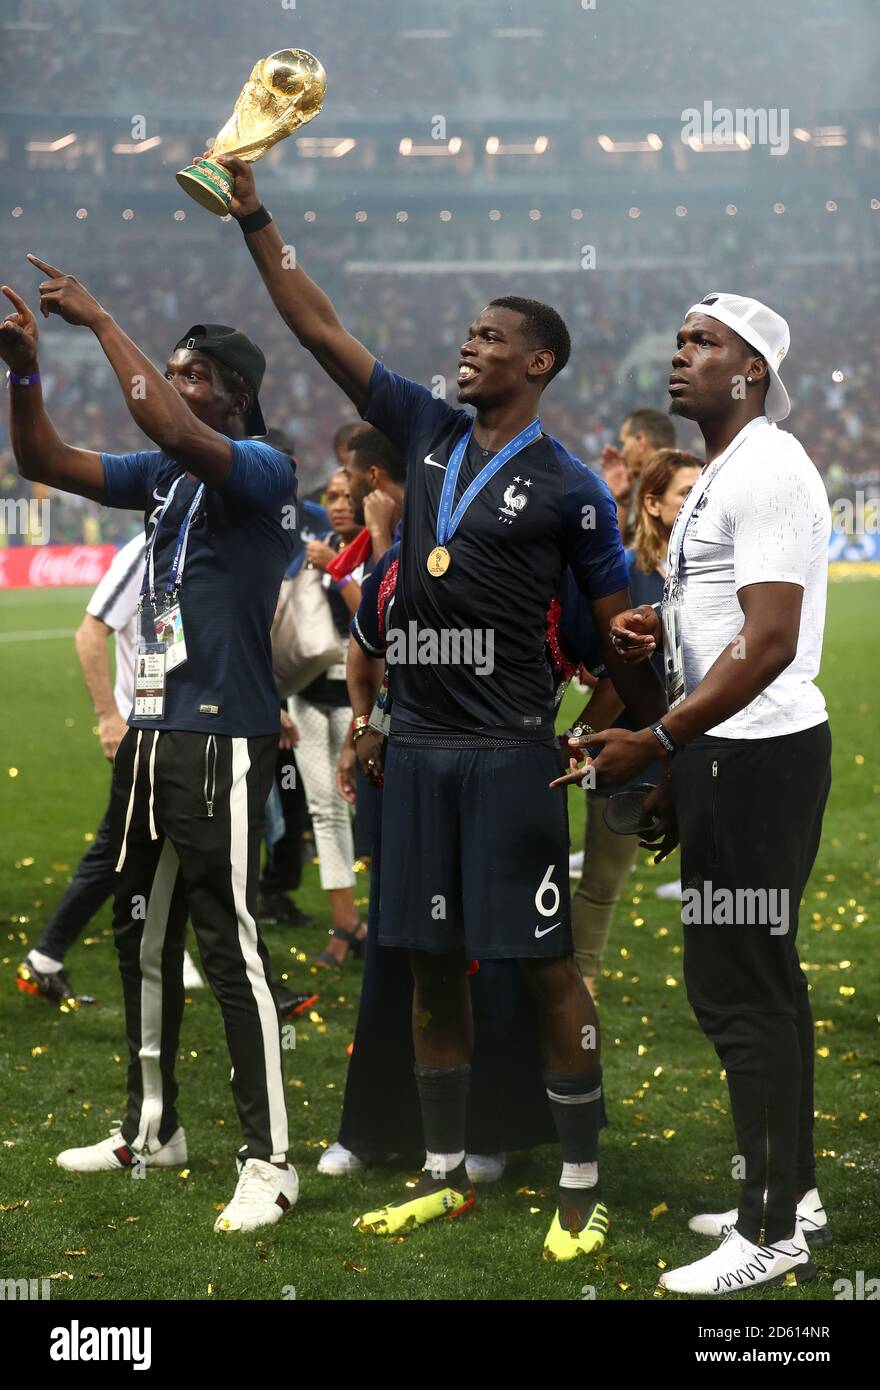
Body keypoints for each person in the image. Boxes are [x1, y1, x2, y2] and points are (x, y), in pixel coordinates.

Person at [218, 152, 666, 1260]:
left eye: (487, 336)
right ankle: (439, 1170)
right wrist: (255, 218)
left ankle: (577, 1178)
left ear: (537, 360)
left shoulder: (565, 484)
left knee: (547, 966)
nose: (466, 344)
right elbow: (319, 329)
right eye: (465, 332)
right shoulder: (420, 426)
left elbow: (622, 631)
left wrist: (629, 736)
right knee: (424, 964)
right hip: (414, 752)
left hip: (510, 755)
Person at [0, 256, 299, 1233]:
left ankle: (270, 1162)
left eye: (193, 373)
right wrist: (25, 375)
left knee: (229, 945)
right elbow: (46, 464)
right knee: (140, 931)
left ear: (235, 394)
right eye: (171, 369)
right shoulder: (166, 476)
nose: (176, 385)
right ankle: (153, 1126)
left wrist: (99, 317)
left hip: (222, 734)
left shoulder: (263, 465)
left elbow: (168, 424)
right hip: (155, 725)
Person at [571, 292, 832, 1294]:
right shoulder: (730, 467)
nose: (679, 355)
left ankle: (768, 1230)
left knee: (737, 991)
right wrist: (658, 629)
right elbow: (728, 619)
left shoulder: (764, 464)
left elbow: (767, 640)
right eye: (678, 338)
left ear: (751, 369)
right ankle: (789, 1190)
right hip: (739, 753)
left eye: (702, 343)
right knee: (765, 983)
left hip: (751, 754)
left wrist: (658, 739)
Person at [570, 450, 702, 994]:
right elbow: (605, 672)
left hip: (708, 747)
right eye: (685, 493)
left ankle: (727, 988)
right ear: (652, 504)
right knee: (602, 881)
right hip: (630, 754)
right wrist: (578, 737)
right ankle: (582, 983)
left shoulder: (717, 573)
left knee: (720, 884)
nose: (699, 502)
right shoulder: (626, 572)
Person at [289, 469, 367, 967]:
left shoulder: (379, 549)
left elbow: (373, 623)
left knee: (373, 815)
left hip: (358, 699)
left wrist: (336, 570)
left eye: (347, 496)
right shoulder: (313, 547)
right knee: (325, 809)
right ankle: (346, 923)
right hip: (305, 694)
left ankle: (386, 919)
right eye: (331, 497)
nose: (337, 504)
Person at [601, 408, 676, 542]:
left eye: (624, 444)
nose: (622, 454)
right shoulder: (689, 478)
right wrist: (623, 501)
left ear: (641, 441)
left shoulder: (677, 485)